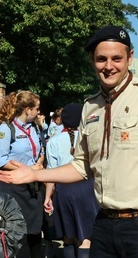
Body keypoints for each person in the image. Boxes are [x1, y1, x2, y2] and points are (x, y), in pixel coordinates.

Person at [0, 25, 138, 257]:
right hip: (104, 225)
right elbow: (81, 166)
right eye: (101, 59)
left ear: (130, 57)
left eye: (117, 58)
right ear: (92, 60)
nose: (109, 66)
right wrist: (36, 175)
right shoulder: (90, 106)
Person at [0, 91, 45, 258]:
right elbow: (0, 160)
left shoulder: (35, 127)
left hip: (32, 186)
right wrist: (27, 170)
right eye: (36, 108)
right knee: (18, 234)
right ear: (28, 110)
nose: (39, 112)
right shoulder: (6, 128)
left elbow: (39, 150)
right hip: (13, 188)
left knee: (35, 231)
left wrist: (39, 162)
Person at [44, 103, 99, 258]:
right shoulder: (89, 138)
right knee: (85, 237)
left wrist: (48, 197)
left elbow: (51, 173)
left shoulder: (53, 141)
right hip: (87, 189)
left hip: (63, 191)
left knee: (68, 236)